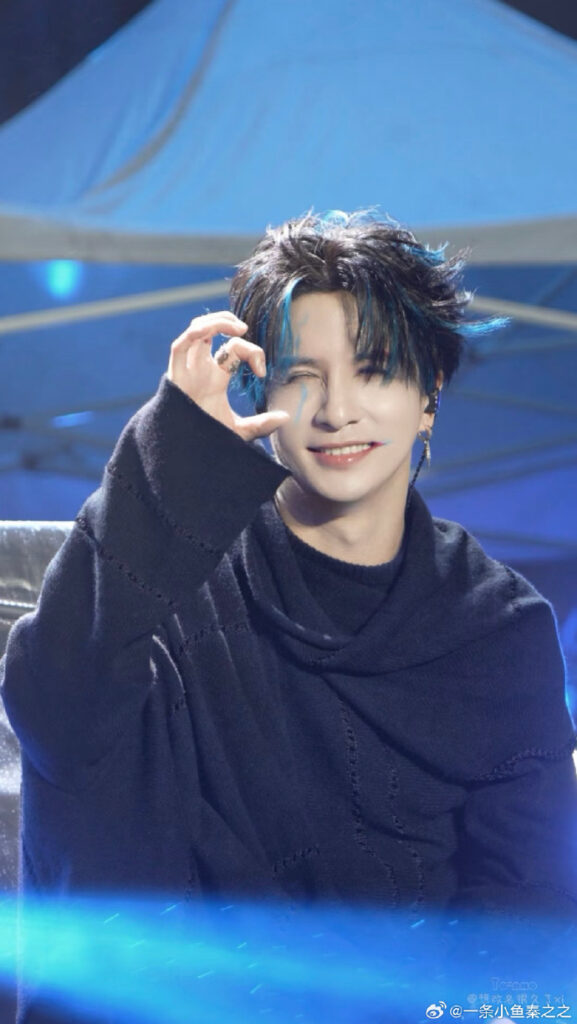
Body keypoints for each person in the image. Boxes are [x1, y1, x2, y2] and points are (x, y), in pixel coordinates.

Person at [2, 211, 577, 1022]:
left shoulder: (498, 626)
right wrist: (173, 448)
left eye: (374, 370)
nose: (336, 410)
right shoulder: (172, 573)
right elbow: (55, 703)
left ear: (428, 397)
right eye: (302, 375)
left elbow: (528, 911)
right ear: (262, 391)